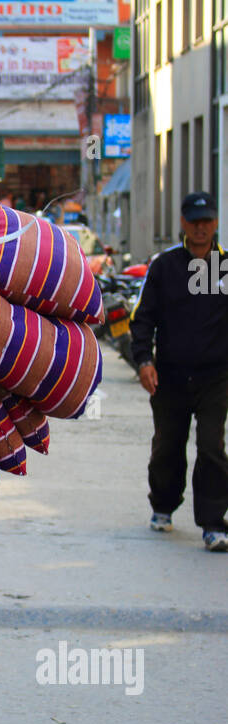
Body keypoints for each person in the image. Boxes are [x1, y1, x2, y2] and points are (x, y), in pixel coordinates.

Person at [130, 191, 228, 551]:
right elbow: (143, 319)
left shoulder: (224, 267)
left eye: (207, 221)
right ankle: (163, 505)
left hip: (215, 378)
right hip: (170, 376)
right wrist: (144, 360)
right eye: (194, 221)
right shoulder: (165, 267)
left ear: (215, 223)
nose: (201, 228)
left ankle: (214, 523)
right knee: (168, 445)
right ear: (183, 223)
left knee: (212, 447)